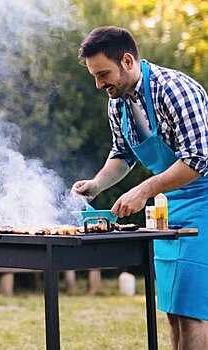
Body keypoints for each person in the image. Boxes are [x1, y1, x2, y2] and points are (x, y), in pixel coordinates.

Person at [73, 26, 208, 349]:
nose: (99, 84)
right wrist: (96, 184)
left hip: (204, 204)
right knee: (174, 312)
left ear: (128, 61)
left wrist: (143, 190)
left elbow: (198, 158)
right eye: (94, 76)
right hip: (168, 210)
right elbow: (122, 154)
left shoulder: (175, 90)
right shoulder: (117, 102)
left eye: (103, 73)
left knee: (193, 312)